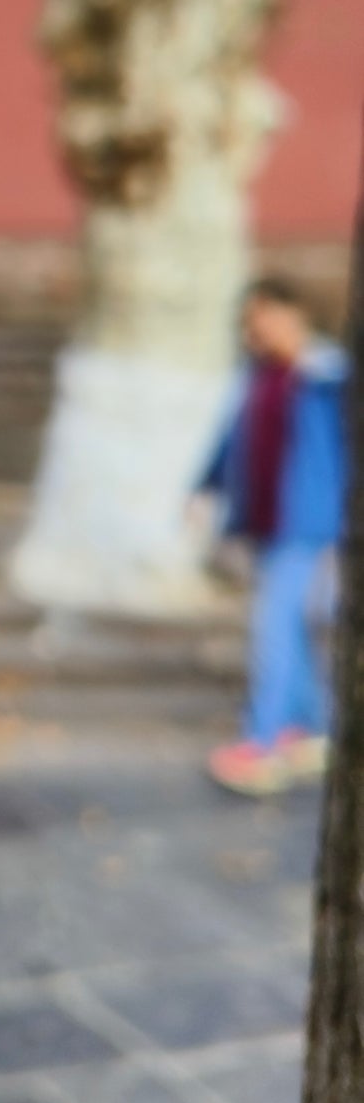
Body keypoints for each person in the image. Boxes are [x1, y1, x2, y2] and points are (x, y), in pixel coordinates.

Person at [197, 275, 348, 796]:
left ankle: (261, 744)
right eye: (251, 319)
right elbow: (231, 438)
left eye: (267, 315)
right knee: (295, 629)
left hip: (310, 525)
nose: (258, 327)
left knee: (275, 629)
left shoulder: (327, 376)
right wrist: (204, 486)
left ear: (297, 315)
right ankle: (312, 730)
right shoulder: (259, 376)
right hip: (265, 520)